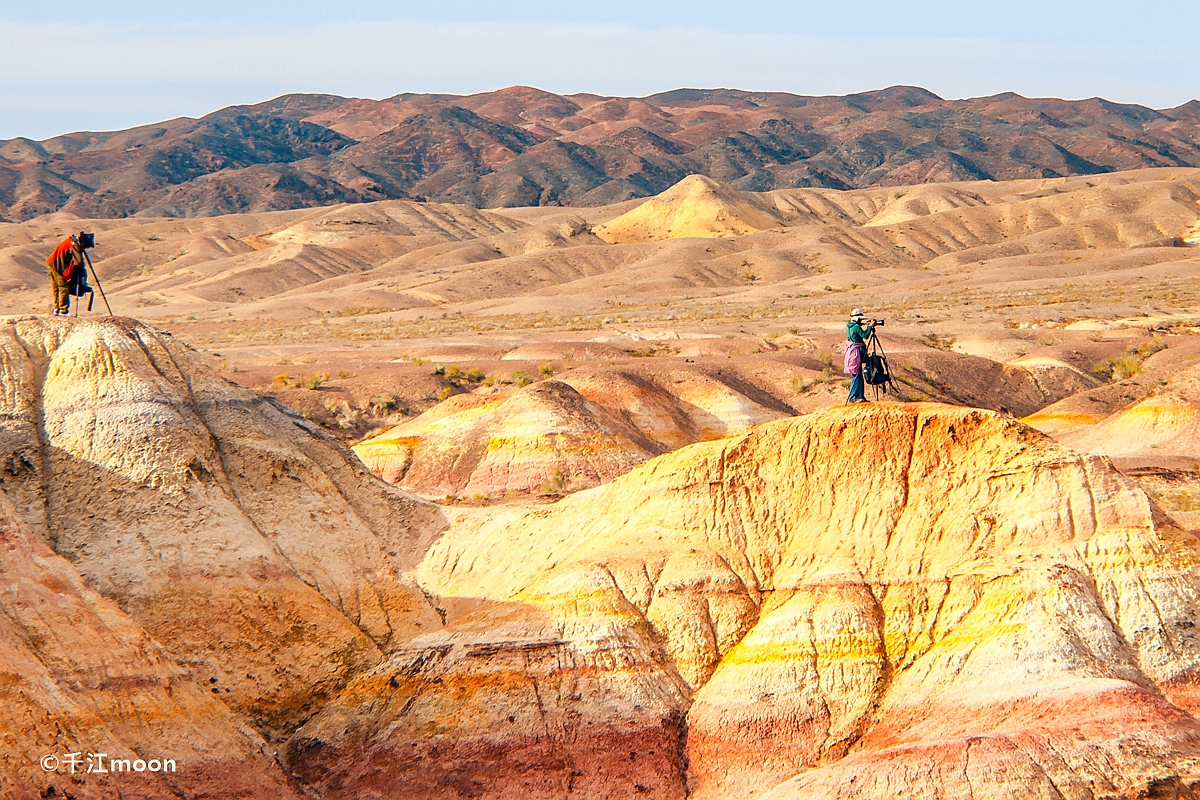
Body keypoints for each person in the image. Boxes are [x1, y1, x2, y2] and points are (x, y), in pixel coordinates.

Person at [46, 232, 93, 316]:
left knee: (56, 288)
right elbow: (79, 262)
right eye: (86, 246)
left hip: (52, 264)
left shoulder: (72, 241)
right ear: (82, 243)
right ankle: (63, 311)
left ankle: (57, 309)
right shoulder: (74, 244)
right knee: (63, 287)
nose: (86, 248)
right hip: (57, 266)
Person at [844, 308, 874, 403]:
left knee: (857, 374)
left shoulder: (849, 326)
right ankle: (854, 397)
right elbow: (865, 336)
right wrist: (869, 327)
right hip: (857, 351)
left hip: (852, 351)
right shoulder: (856, 327)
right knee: (857, 375)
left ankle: (859, 396)